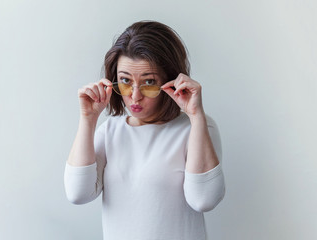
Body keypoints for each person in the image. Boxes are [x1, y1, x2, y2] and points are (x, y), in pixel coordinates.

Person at [64, 20, 225, 240]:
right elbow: (77, 193)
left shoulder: (196, 127)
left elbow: (204, 199)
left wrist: (196, 116)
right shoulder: (109, 131)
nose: (135, 95)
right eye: (125, 81)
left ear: (170, 80)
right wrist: (88, 119)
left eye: (149, 82)